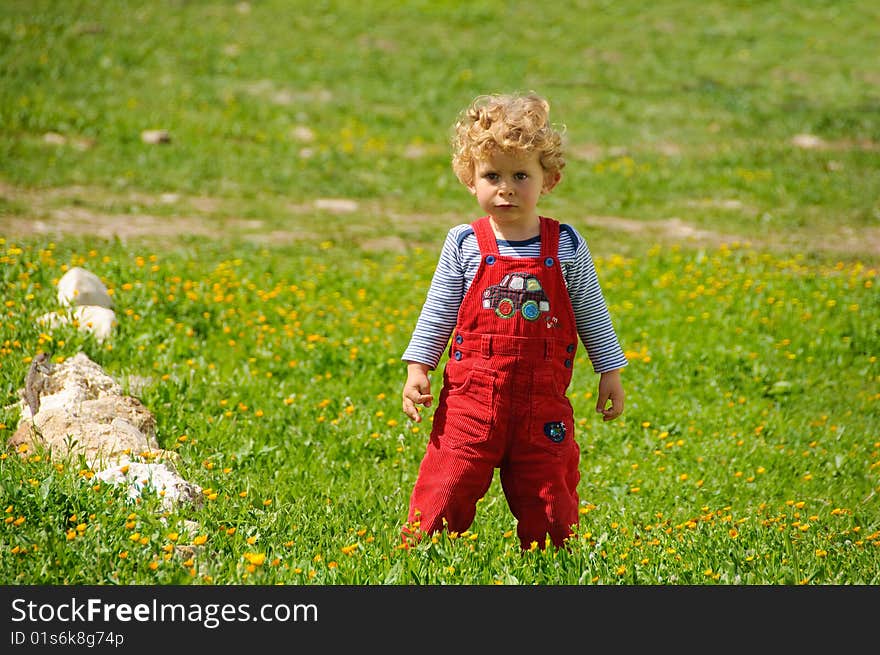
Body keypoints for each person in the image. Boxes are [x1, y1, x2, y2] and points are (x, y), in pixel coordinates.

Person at [400, 92, 627, 550]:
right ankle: (422, 556)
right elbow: (439, 309)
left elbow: (591, 311)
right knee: (447, 482)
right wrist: (417, 367)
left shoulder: (565, 244)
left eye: (521, 175)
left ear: (550, 180)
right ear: (470, 180)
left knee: (550, 497)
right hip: (471, 403)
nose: (506, 187)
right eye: (492, 175)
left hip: (542, 407)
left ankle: (552, 561)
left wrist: (610, 371)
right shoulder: (464, 243)